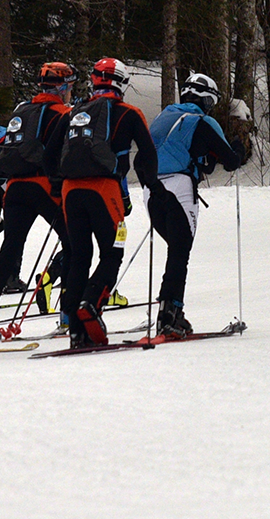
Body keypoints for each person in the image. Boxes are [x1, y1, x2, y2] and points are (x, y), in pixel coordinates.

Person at [52, 58, 160, 347]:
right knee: (112, 253)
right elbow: (147, 154)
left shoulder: (73, 113)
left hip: (70, 191)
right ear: (121, 82)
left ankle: (76, 329)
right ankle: (91, 303)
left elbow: (49, 155)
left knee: (79, 256)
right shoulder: (128, 112)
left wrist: (57, 187)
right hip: (105, 189)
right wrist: (152, 185)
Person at [0, 63, 75, 340]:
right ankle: (69, 312)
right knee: (73, 242)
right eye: (70, 87)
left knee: (11, 247)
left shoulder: (22, 110)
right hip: (43, 185)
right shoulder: (62, 113)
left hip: (15, 187)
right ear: (62, 87)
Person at [147, 72, 247, 335]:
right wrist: (238, 149)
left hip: (150, 190)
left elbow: (202, 161)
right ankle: (170, 314)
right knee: (180, 252)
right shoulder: (202, 121)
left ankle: (169, 310)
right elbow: (231, 161)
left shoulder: (163, 116)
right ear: (206, 100)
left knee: (175, 250)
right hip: (179, 188)